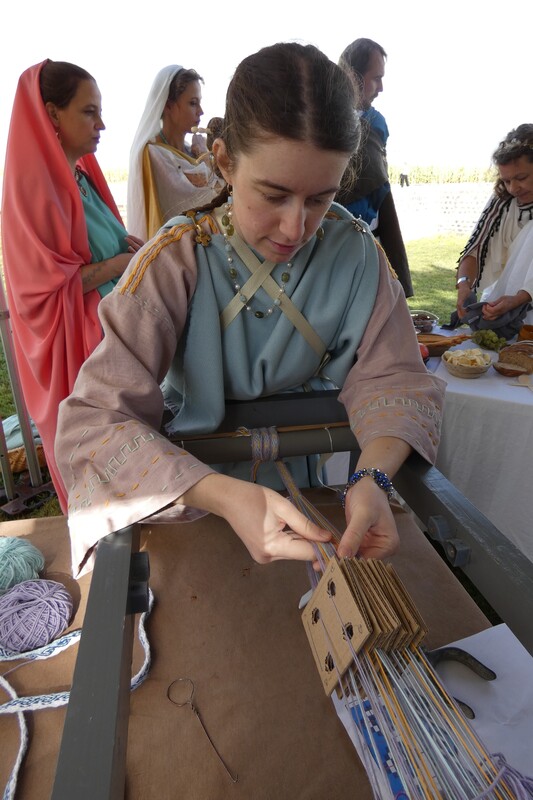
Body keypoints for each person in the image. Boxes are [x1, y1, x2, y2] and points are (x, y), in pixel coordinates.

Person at [55, 42, 445, 578]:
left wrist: (372, 478)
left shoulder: (356, 255)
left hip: (314, 500)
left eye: (319, 199)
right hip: (191, 501)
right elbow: (94, 422)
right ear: (224, 162)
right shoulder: (174, 262)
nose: (294, 228)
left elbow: (394, 377)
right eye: (274, 194)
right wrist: (223, 495)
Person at [0, 60, 144, 511]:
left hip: (111, 343)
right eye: (89, 112)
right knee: (100, 470)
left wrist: (132, 249)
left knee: (130, 465)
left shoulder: (80, 176)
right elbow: (42, 287)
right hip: (79, 355)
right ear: (52, 114)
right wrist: (122, 262)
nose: (102, 124)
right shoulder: (33, 189)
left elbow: (99, 244)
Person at [336, 38, 414, 298]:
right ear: (353, 76)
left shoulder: (376, 122)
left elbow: (376, 182)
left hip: (370, 241)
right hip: (334, 240)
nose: (380, 88)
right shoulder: (323, 119)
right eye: (376, 78)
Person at [127, 65, 225, 240]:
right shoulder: (153, 153)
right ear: (168, 106)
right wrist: (207, 159)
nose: (201, 112)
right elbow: (203, 200)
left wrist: (204, 154)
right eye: (193, 103)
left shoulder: (191, 150)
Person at [454, 124, 533, 334]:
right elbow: (476, 248)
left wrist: (520, 298)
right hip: (503, 303)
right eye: (507, 180)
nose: (513, 188)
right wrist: (464, 285)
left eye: (521, 178)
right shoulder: (503, 201)